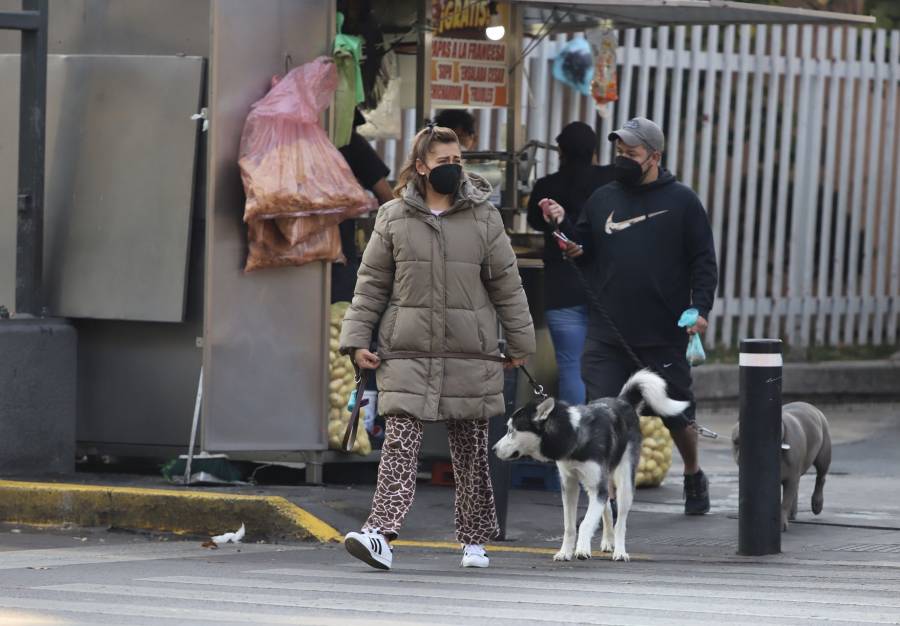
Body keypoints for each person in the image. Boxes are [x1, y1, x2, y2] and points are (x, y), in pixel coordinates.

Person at [339, 124, 535, 570]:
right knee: (399, 446)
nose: (452, 168)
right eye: (444, 161)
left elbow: (507, 284)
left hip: (470, 351)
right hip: (407, 350)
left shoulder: (484, 216)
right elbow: (370, 285)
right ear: (422, 166)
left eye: (457, 161)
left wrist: (521, 343)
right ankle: (380, 535)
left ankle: (474, 540)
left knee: (469, 452)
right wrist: (355, 341)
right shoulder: (392, 217)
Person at [544, 117, 718, 515]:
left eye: (632, 153)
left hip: (663, 331)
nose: (622, 159)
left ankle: (693, 471)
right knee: (602, 411)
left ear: (654, 156)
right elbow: (581, 246)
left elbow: (703, 261)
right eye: (619, 152)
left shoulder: (683, 201)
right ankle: (604, 497)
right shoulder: (603, 197)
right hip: (607, 331)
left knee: (677, 411)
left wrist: (701, 310)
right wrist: (563, 228)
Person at [526, 121, 615, 406]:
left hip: (562, 286)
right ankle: (604, 433)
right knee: (607, 366)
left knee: (570, 367)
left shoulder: (546, 187)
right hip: (605, 286)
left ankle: (574, 439)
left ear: (560, 151)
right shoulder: (611, 182)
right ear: (594, 151)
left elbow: (534, 221)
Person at [333, 109, 395, 303]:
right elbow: (387, 197)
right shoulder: (352, 143)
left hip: (302, 249)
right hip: (340, 255)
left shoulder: (302, 141)